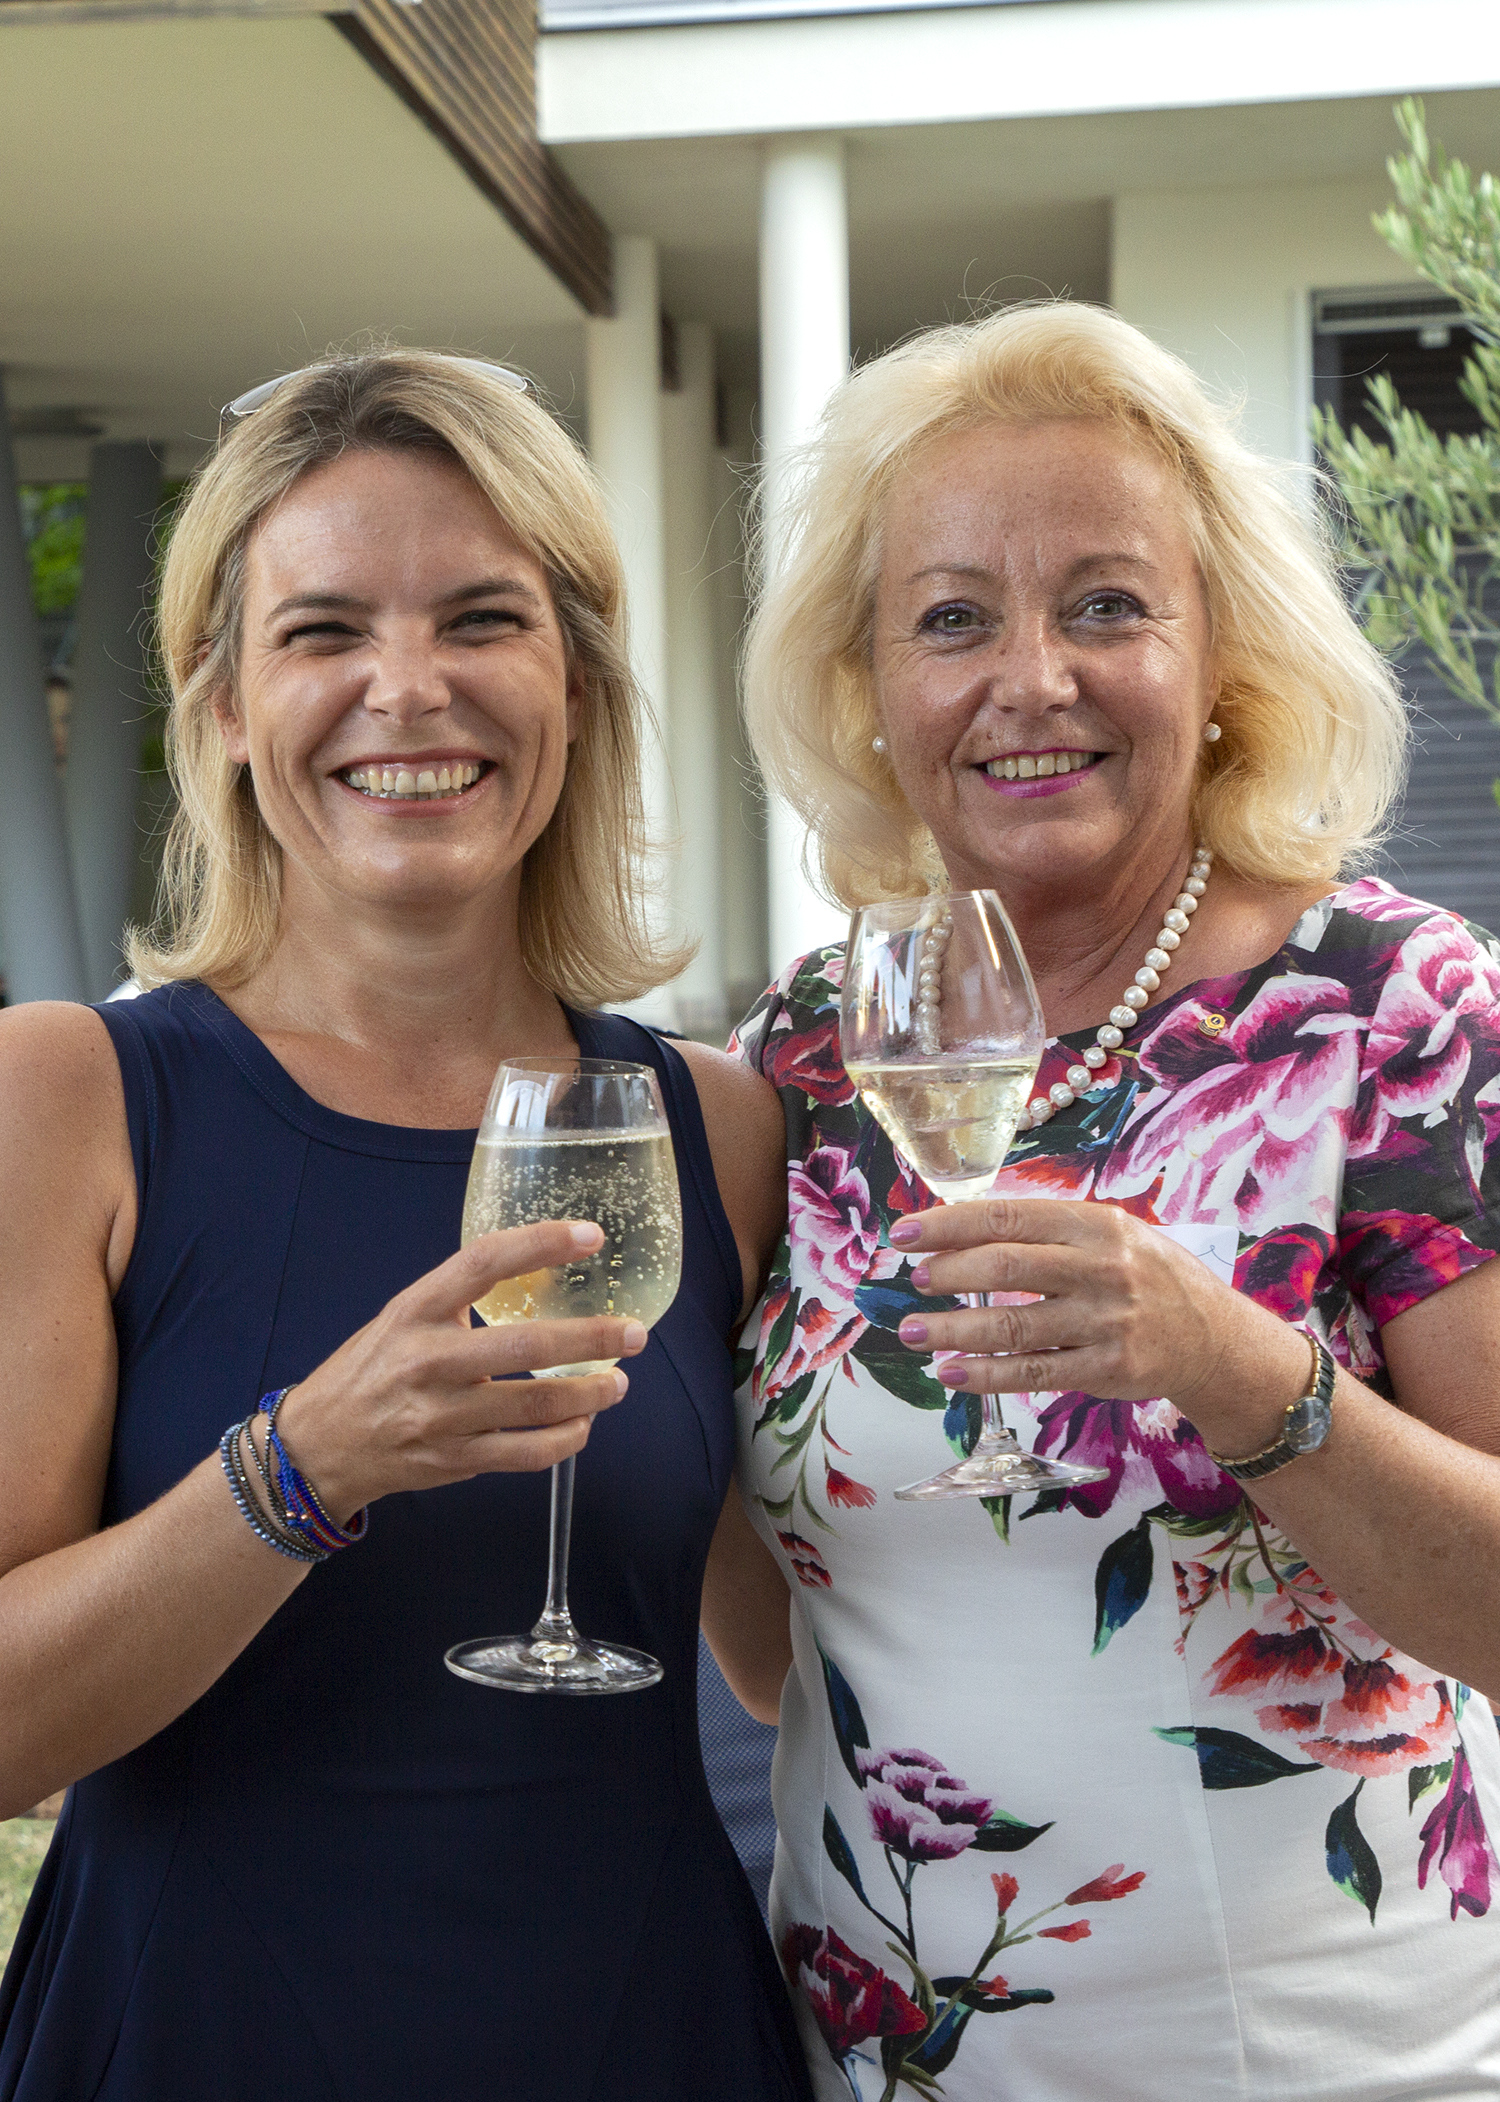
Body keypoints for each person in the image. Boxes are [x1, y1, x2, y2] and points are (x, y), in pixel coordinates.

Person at [701, 302, 1500, 2100]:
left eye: (1108, 604)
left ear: (1221, 655)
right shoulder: (803, 1056)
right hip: (895, 2060)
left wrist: (1242, 1370)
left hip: (1331, 2064)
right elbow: (778, 1649)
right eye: (953, 618)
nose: (1033, 678)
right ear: (869, 688)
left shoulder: (1396, 1006)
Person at [0, 349, 810, 2102]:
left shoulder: (716, 1125)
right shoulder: (67, 1096)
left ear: (574, 682)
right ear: (225, 702)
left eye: (481, 619)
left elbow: (791, 1659)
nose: (408, 687)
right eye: (323, 631)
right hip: (198, 2039)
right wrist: (299, 1469)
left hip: (644, 2037)